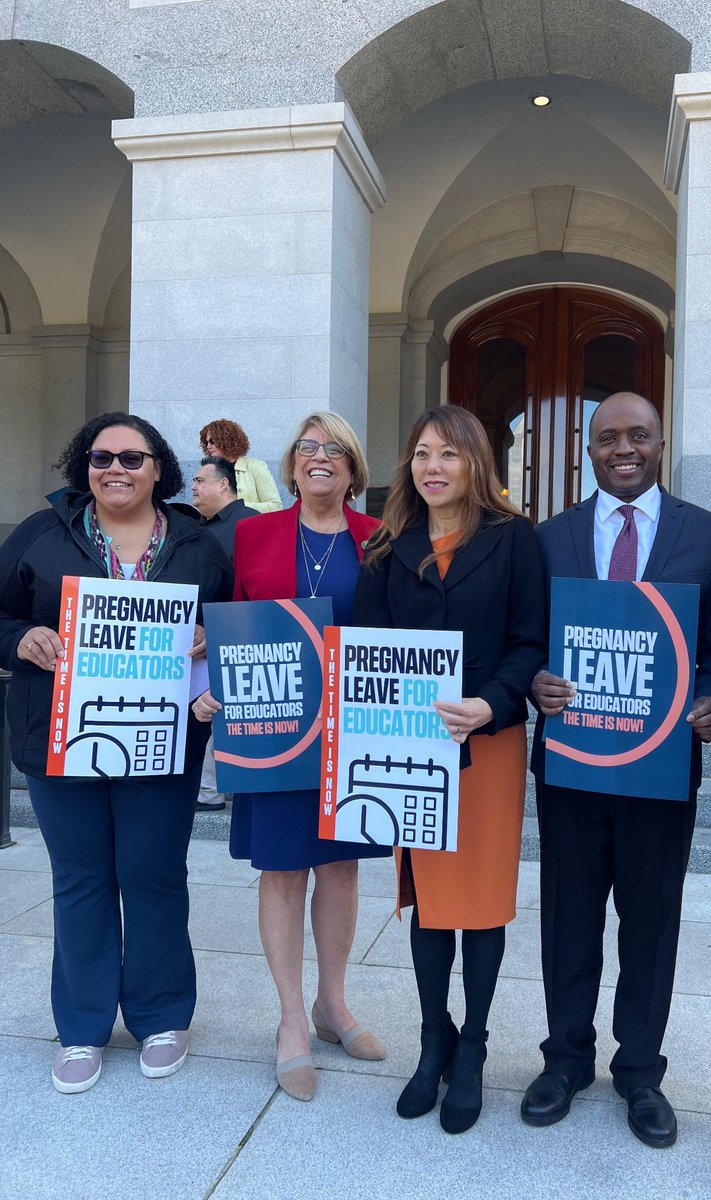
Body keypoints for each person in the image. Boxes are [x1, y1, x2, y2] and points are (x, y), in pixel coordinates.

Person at [520, 391, 711, 1147]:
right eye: (607, 436)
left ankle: (641, 1070)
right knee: (567, 915)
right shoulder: (545, 539)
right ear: (588, 446)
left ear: (660, 440)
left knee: (651, 920)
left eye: (637, 435)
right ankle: (566, 1060)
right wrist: (535, 678)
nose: (623, 448)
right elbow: (525, 637)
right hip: (572, 765)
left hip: (661, 768)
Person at [0, 411, 233, 1093]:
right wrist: (19, 639)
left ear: (159, 468)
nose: (116, 471)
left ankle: (162, 1015)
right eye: (102, 459)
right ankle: (82, 1025)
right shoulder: (43, 535)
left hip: (163, 742)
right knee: (80, 880)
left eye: (133, 459)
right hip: (59, 739)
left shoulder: (198, 544)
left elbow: (230, 626)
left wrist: (208, 640)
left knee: (154, 876)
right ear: (85, 467)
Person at [355, 405, 546, 1134]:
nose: (433, 467)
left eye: (450, 454)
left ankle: (475, 1045)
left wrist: (492, 702)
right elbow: (366, 649)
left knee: (481, 899)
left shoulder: (513, 539)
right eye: (421, 454)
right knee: (428, 897)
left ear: (476, 464)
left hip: (488, 744)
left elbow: (531, 641)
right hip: (410, 746)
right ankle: (434, 1042)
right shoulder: (387, 545)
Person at [193, 411, 390, 1102]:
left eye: (335, 448)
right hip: (272, 728)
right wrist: (213, 685)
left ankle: (332, 1007)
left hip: (352, 731)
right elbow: (227, 621)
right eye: (308, 446)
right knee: (281, 871)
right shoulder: (252, 535)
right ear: (291, 461)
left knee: (340, 867)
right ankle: (288, 1022)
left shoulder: (380, 539)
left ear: (353, 467)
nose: (320, 457)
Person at [191, 455, 255, 811]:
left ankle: (210, 789)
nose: (194, 488)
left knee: (220, 710)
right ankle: (211, 787)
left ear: (224, 484)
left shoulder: (251, 525)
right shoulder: (200, 528)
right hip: (199, 637)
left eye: (201, 481)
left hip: (235, 635)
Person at [198, 418, 281, 514]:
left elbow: (275, 506)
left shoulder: (255, 466)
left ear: (226, 440)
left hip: (250, 527)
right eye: (206, 442)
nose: (208, 446)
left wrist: (235, 506)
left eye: (212, 441)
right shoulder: (209, 470)